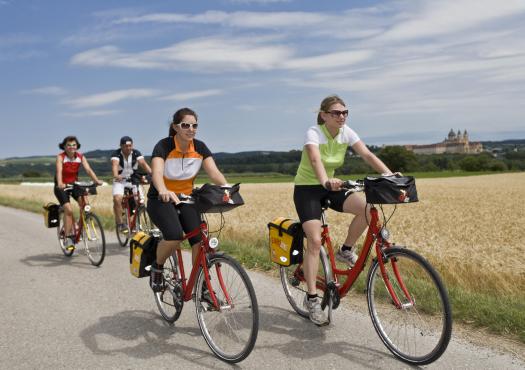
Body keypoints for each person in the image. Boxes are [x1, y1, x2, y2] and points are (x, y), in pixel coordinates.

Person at [294, 95, 396, 325]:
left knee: (368, 209)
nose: (341, 116)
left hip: (331, 186)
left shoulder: (346, 132)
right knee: (314, 242)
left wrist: (389, 175)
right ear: (324, 115)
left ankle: (346, 250)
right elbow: (315, 159)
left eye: (345, 112)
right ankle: (312, 298)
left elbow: (368, 155)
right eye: (336, 113)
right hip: (308, 189)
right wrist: (325, 181)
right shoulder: (314, 132)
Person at [147, 107, 229, 292]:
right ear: (176, 127)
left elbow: (214, 173)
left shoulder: (199, 147)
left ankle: (202, 287)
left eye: (194, 125)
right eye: (186, 125)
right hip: (161, 199)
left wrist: (228, 189)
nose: (191, 129)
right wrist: (162, 190)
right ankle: (157, 267)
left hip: (186, 198)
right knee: (174, 235)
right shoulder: (164, 146)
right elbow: (157, 173)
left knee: (199, 241)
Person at [54, 136, 103, 250]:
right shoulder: (61, 157)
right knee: (69, 210)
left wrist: (96, 181)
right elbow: (59, 170)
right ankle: (68, 237)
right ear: (64, 147)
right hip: (62, 187)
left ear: (77, 146)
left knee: (86, 206)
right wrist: (60, 183)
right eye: (69, 145)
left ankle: (76, 225)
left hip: (74, 184)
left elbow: (88, 170)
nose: (72, 147)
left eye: (74, 145)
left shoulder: (80, 157)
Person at [111, 136, 152, 232]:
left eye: (130, 145)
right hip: (120, 180)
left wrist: (152, 174)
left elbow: (143, 164)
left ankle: (136, 222)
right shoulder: (116, 154)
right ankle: (120, 223)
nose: (128, 148)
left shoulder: (136, 153)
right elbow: (115, 165)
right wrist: (116, 175)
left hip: (134, 179)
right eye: (126, 146)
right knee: (117, 199)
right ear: (121, 146)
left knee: (140, 201)